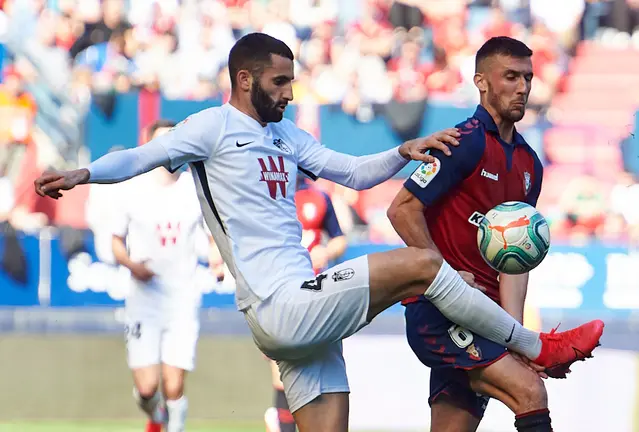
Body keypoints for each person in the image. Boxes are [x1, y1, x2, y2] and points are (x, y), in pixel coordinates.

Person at [34, 32, 604, 432]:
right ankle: (537, 347)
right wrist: (83, 174)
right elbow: (143, 155)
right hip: (279, 304)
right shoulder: (213, 126)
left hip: (305, 319)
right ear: (244, 78)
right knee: (424, 268)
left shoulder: (288, 137)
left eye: (292, 82)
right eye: (279, 82)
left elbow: (353, 173)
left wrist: (403, 152)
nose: (288, 93)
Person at [388, 36, 581, 432]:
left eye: (528, 77)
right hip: (439, 311)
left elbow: (516, 261)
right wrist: (442, 275)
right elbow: (402, 209)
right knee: (530, 393)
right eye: (511, 76)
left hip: (484, 318)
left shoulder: (530, 164)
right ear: (481, 81)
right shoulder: (461, 142)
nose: (523, 87)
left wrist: (513, 334)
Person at [112, 120, 223, 432]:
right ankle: (155, 414)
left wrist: (217, 261)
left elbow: (213, 234)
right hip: (143, 299)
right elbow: (116, 243)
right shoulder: (133, 189)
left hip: (182, 298)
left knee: (174, 384)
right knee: (147, 388)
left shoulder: (195, 188)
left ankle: (176, 427)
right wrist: (134, 267)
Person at [265, 173, 348, 432]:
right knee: (282, 373)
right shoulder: (266, 196)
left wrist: (327, 251)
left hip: (316, 293)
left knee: (319, 374)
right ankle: (281, 422)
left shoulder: (319, 196)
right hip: (279, 292)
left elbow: (339, 238)